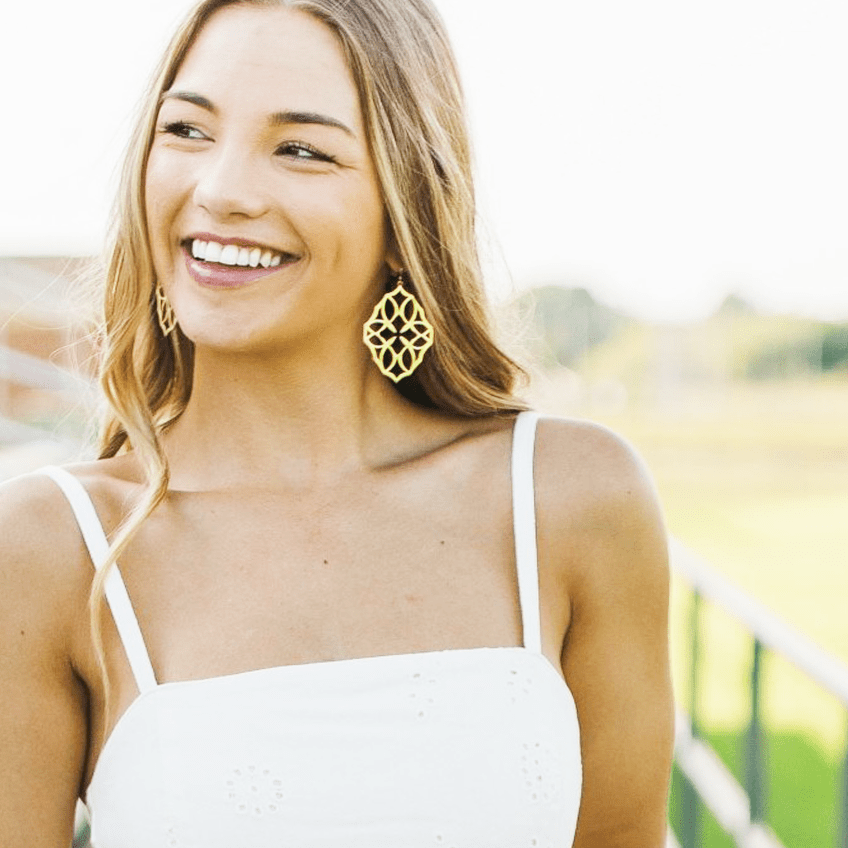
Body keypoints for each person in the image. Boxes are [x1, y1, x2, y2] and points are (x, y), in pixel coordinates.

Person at [0, 0, 674, 845]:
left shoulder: (571, 497)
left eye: (302, 150)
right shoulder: (51, 545)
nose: (220, 192)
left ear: (408, 215)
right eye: (187, 131)